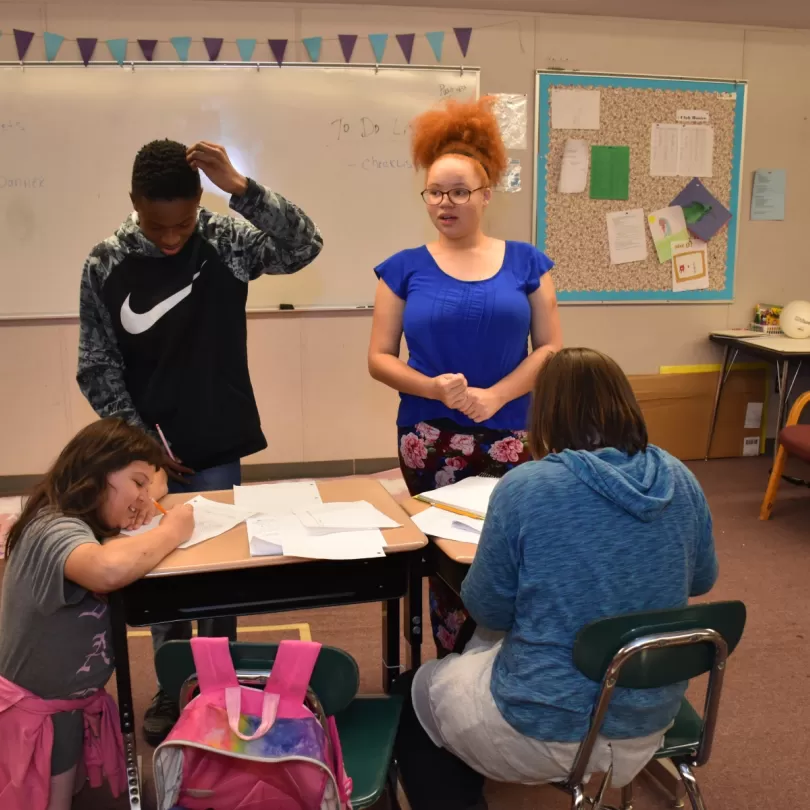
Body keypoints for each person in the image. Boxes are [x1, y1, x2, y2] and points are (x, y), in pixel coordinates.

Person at [393, 347, 720, 810]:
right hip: (647, 720)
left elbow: (488, 610)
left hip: (542, 725)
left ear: (544, 414)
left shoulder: (527, 487)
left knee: (414, 694)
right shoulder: (680, 477)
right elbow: (702, 578)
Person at [76, 138, 323, 744]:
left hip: (215, 441)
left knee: (217, 578)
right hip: (143, 455)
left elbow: (303, 246)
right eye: (157, 224)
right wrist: (141, 447)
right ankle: (172, 684)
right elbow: (96, 365)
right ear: (133, 202)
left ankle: (219, 684)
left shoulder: (223, 237)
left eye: (183, 221)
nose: (171, 237)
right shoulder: (106, 262)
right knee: (159, 574)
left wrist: (240, 188)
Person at [367, 97, 563, 657]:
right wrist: (432, 388)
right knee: (445, 559)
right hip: (429, 436)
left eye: (459, 191)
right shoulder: (402, 268)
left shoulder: (528, 262)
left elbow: (550, 347)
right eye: (434, 191)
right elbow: (379, 358)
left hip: (512, 432)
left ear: (486, 194)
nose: (445, 203)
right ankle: (451, 670)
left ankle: (512, 665)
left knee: (509, 553)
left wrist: (497, 394)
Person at [0, 418, 194, 810]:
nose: (145, 498)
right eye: (136, 484)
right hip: (33, 719)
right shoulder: (51, 527)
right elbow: (106, 571)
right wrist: (173, 529)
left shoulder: (86, 516)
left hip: (65, 708)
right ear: (98, 471)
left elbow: (158, 482)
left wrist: (143, 488)